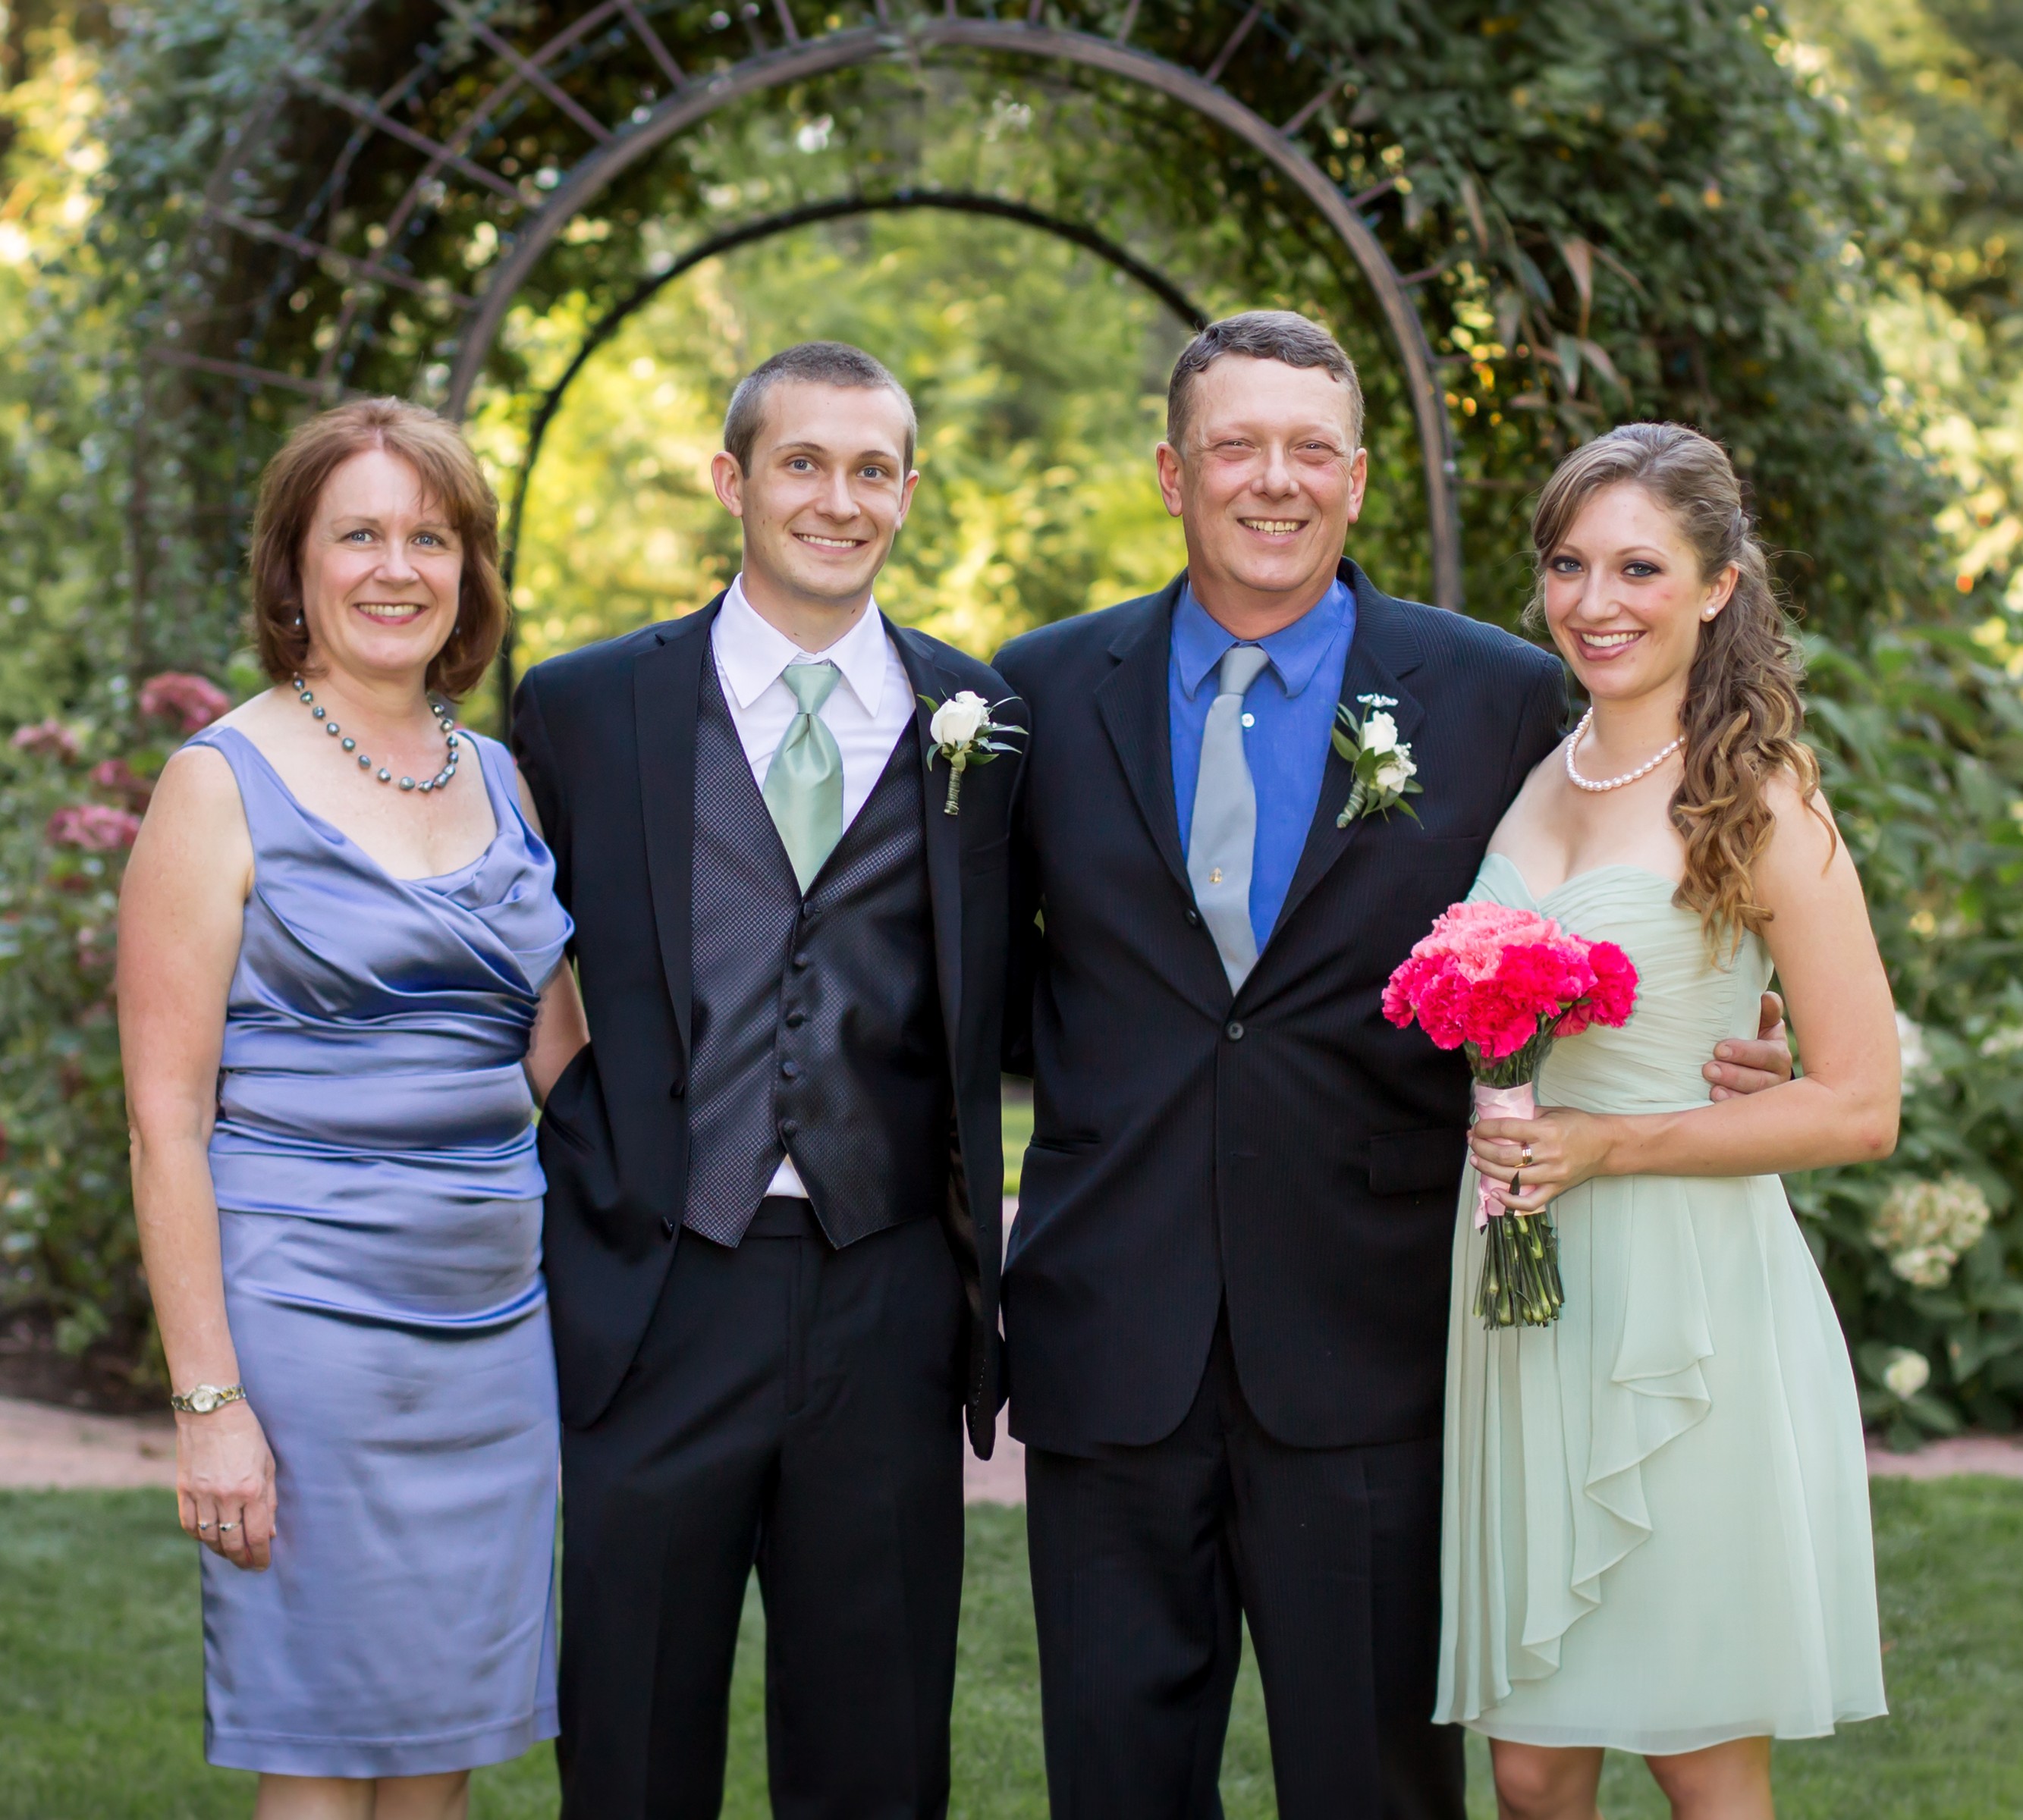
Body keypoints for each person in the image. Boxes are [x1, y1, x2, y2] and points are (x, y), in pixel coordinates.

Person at [993, 313, 1795, 1820]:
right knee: (1112, 1784)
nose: (1274, 480)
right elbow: (971, 976)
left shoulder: (1495, 693)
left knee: (1376, 1788)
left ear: (1357, 480)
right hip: (1109, 1326)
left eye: (1311, 450)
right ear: (1172, 471)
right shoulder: (1039, 690)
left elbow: (1620, 887)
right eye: (1236, 446)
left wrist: (1735, 1027)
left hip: (1378, 1332)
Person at [511, 340, 1024, 1818]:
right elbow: (509, 936)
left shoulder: (976, 718)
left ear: (908, 493)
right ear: (731, 480)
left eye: (872, 471)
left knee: (878, 1753)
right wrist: (588, 1121)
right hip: (659, 1275)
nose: (837, 500)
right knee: (630, 1739)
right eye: (803, 463)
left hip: (886, 1288)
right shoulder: (585, 704)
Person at [119, 398, 586, 1818]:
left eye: (430, 538)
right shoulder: (218, 784)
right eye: (359, 535)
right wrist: (211, 1404)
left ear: (469, 571)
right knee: (320, 1762)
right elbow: (163, 1125)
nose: (397, 568)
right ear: (295, 565)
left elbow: (561, 1063)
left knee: (438, 1761)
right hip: (305, 1333)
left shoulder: (500, 778)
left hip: (497, 1338)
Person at [1438, 422, 1892, 1818]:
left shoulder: (1759, 797)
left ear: (1718, 586)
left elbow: (1861, 1102)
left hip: (1684, 1301)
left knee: (1701, 1753)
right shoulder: (1538, 766)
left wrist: (1613, 1144)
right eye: (1569, 565)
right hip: (1525, 1295)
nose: (1596, 602)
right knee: (1529, 1770)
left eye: (1640, 567)